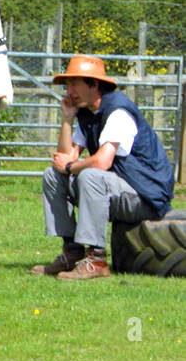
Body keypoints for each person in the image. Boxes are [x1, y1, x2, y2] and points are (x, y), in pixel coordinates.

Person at [30, 54, 175, 280]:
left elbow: (102, 162)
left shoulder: (118, 112)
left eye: (74, 85)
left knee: (91, 175)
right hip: (117, 189)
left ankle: (97, 260)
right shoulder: (88, 113)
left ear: (94, 84)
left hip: (146, 196)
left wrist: (70, 167)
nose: (69, 92)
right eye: (67, 86)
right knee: (52, 175)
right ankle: (73, 252)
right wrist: (67, 119)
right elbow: (64, 158)